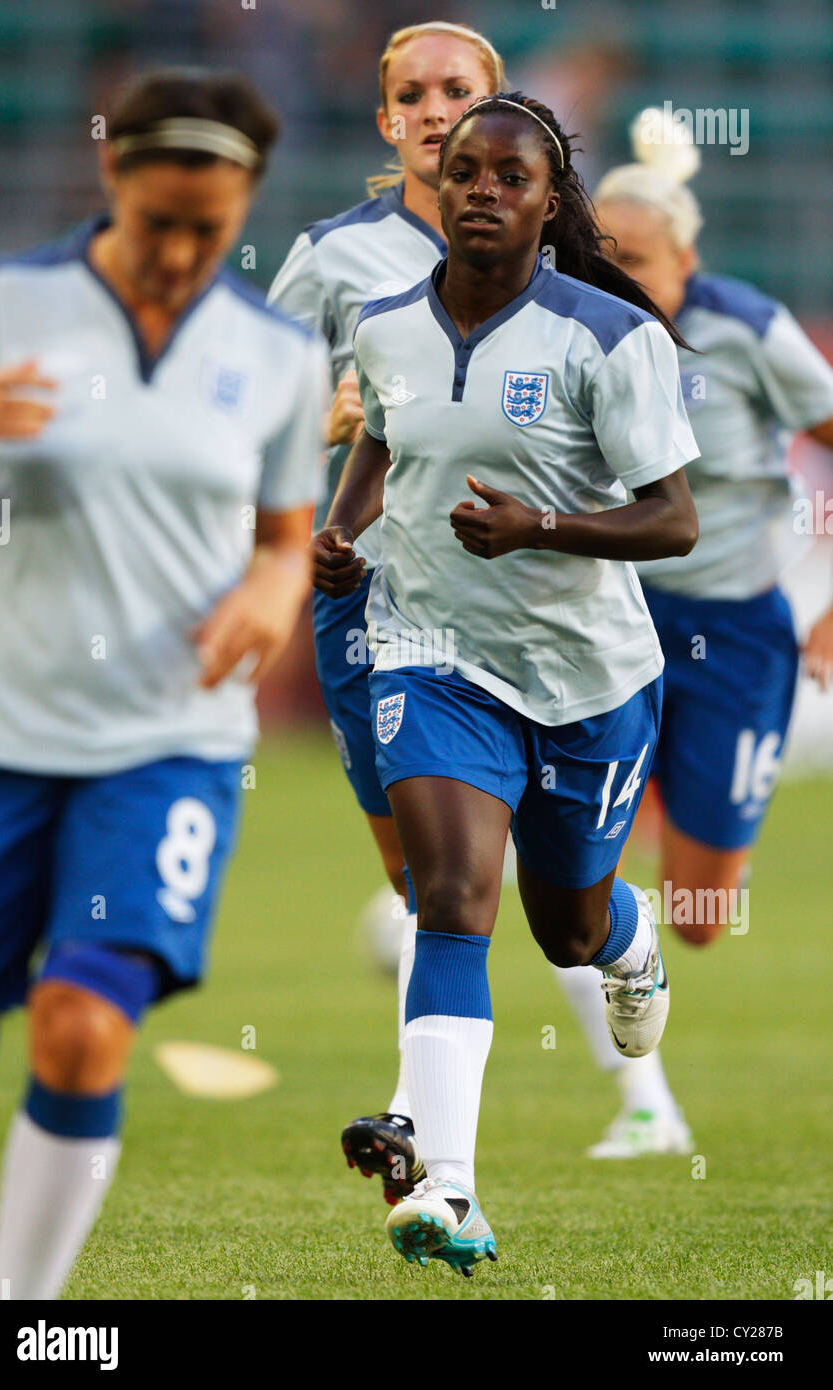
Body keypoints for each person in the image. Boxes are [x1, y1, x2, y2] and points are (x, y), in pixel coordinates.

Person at [312, 92, 700, 1274]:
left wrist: (540, 525)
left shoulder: (606, 338)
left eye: (511, 177)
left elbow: (673, 522)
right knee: (451, 895)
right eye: (465, 171)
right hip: (431, 655)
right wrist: (341, 529)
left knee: (565, 927)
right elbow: (384, 432)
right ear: (438, 190)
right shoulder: (384, 325)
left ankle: (630, 945)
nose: (482, 189)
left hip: (587, 678)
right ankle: (450, 1187)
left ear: (547, 203)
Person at [0, 68, 326, 1299]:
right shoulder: (6, 302)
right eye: (157, 218)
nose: (178, 250)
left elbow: (287, 534)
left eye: (208, 229)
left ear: (244, 209)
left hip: (166, 739)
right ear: (110, 178)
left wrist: (275, 594)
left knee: (81, 1020)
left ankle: (18, 1315)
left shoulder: (274, 354)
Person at [549, 107, 833, 1160]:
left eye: (639, 259)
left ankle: (664, 885)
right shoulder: (569, 331)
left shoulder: (746, 329)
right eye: (602, 256)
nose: (619, 273)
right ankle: (644, 1104)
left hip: (736, 629)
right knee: (573, 863)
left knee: (702, 910)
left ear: (687, 256)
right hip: (609, 622)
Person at [268, 20, 505, 1206]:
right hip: (366, 596)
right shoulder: (331, 258)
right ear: (383, 121)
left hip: (501, 605)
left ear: (493, 109)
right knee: (428, 887)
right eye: (407, 94)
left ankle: (431, 1134)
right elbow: (253, 415)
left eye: (453, 90)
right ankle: (433, 1145)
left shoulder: (555, 256)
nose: (429, 107)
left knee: (503, 887)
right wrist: (324, 418)